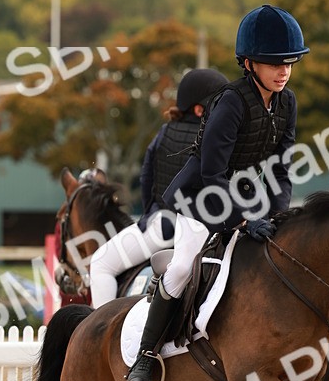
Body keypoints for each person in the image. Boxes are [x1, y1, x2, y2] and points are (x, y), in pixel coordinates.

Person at [124, 4, 310, 381]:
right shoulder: (231, 102)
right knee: (180, 269)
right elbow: (212, 174)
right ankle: (146, 355)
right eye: (274, 63)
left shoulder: (287, 102)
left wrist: (279, 216)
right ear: (248, 63)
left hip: (240, 192)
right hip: (201, 197)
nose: (284, 71)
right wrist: (243, 221)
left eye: (289, 63)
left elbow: (280, 168)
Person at [88, 67, 228, 307]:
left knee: (100, 263)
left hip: (164, 225)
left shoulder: (165, 132)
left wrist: (148, 214)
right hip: (211, 229)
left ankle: (100, 326)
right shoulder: (223, 137)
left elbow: (146, 178)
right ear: (199, 109)